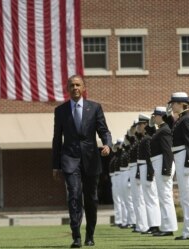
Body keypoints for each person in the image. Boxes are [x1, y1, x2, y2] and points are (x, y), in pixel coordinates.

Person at [52, 75, 112, 248]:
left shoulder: (94, 108)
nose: (75, 88)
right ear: (67, 89)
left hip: (91, 160)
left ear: (84, 88)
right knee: (74, 195)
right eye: (71, 85)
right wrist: (55, 165)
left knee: (91, 199)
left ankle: (90, 235)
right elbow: (57, 139)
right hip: (70, 159)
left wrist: (107, 144)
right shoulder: (60, 111)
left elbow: (104, 130)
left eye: (78, 85)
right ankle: (76, 236)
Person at [167, 92, 189, 241]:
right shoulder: (181, 119)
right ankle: (188, 230)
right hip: (180, 156)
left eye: (174, 103)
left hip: (185, 157)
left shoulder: (186, 119)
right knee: (186, 197)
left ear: (182, 104)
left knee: (188, 197)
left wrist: (188, 163)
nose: (172, 106)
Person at [149, 107, 178, 237]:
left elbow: (167, 151)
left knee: (165, 196)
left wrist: (166, 169)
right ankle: (166, 226)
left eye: (155, 115)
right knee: (163, 197)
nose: (153, 118)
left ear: (160, 116)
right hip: (159, 163)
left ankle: (169, 227)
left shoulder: (164, 130)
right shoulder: (160, 129)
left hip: (163, 164)